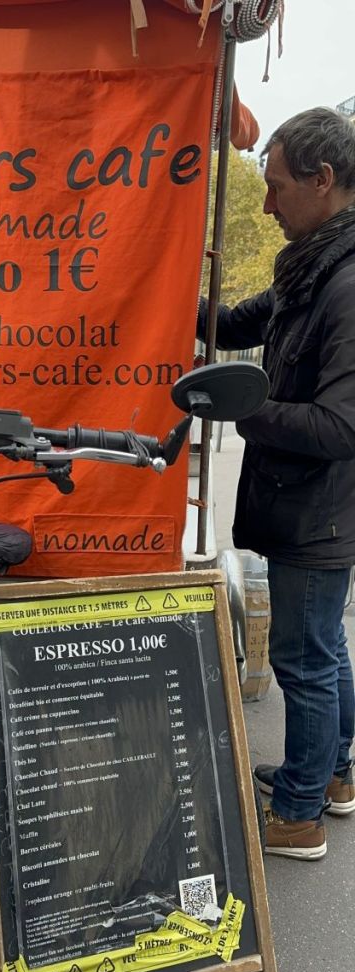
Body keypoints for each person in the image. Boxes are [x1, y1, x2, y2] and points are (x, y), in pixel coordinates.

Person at [197, 106, 355, 860]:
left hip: (317, 514)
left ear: (324, 181)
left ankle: (297, 816)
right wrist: (156, 296)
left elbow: (340, 427)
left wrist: (244, 407)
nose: (266, 203)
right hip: (311, 512)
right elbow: (235, 321)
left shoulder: (348, 282)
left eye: (278, 184)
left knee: (304, 661)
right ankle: (332, 777)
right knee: (324, 651)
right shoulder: (314, 264)